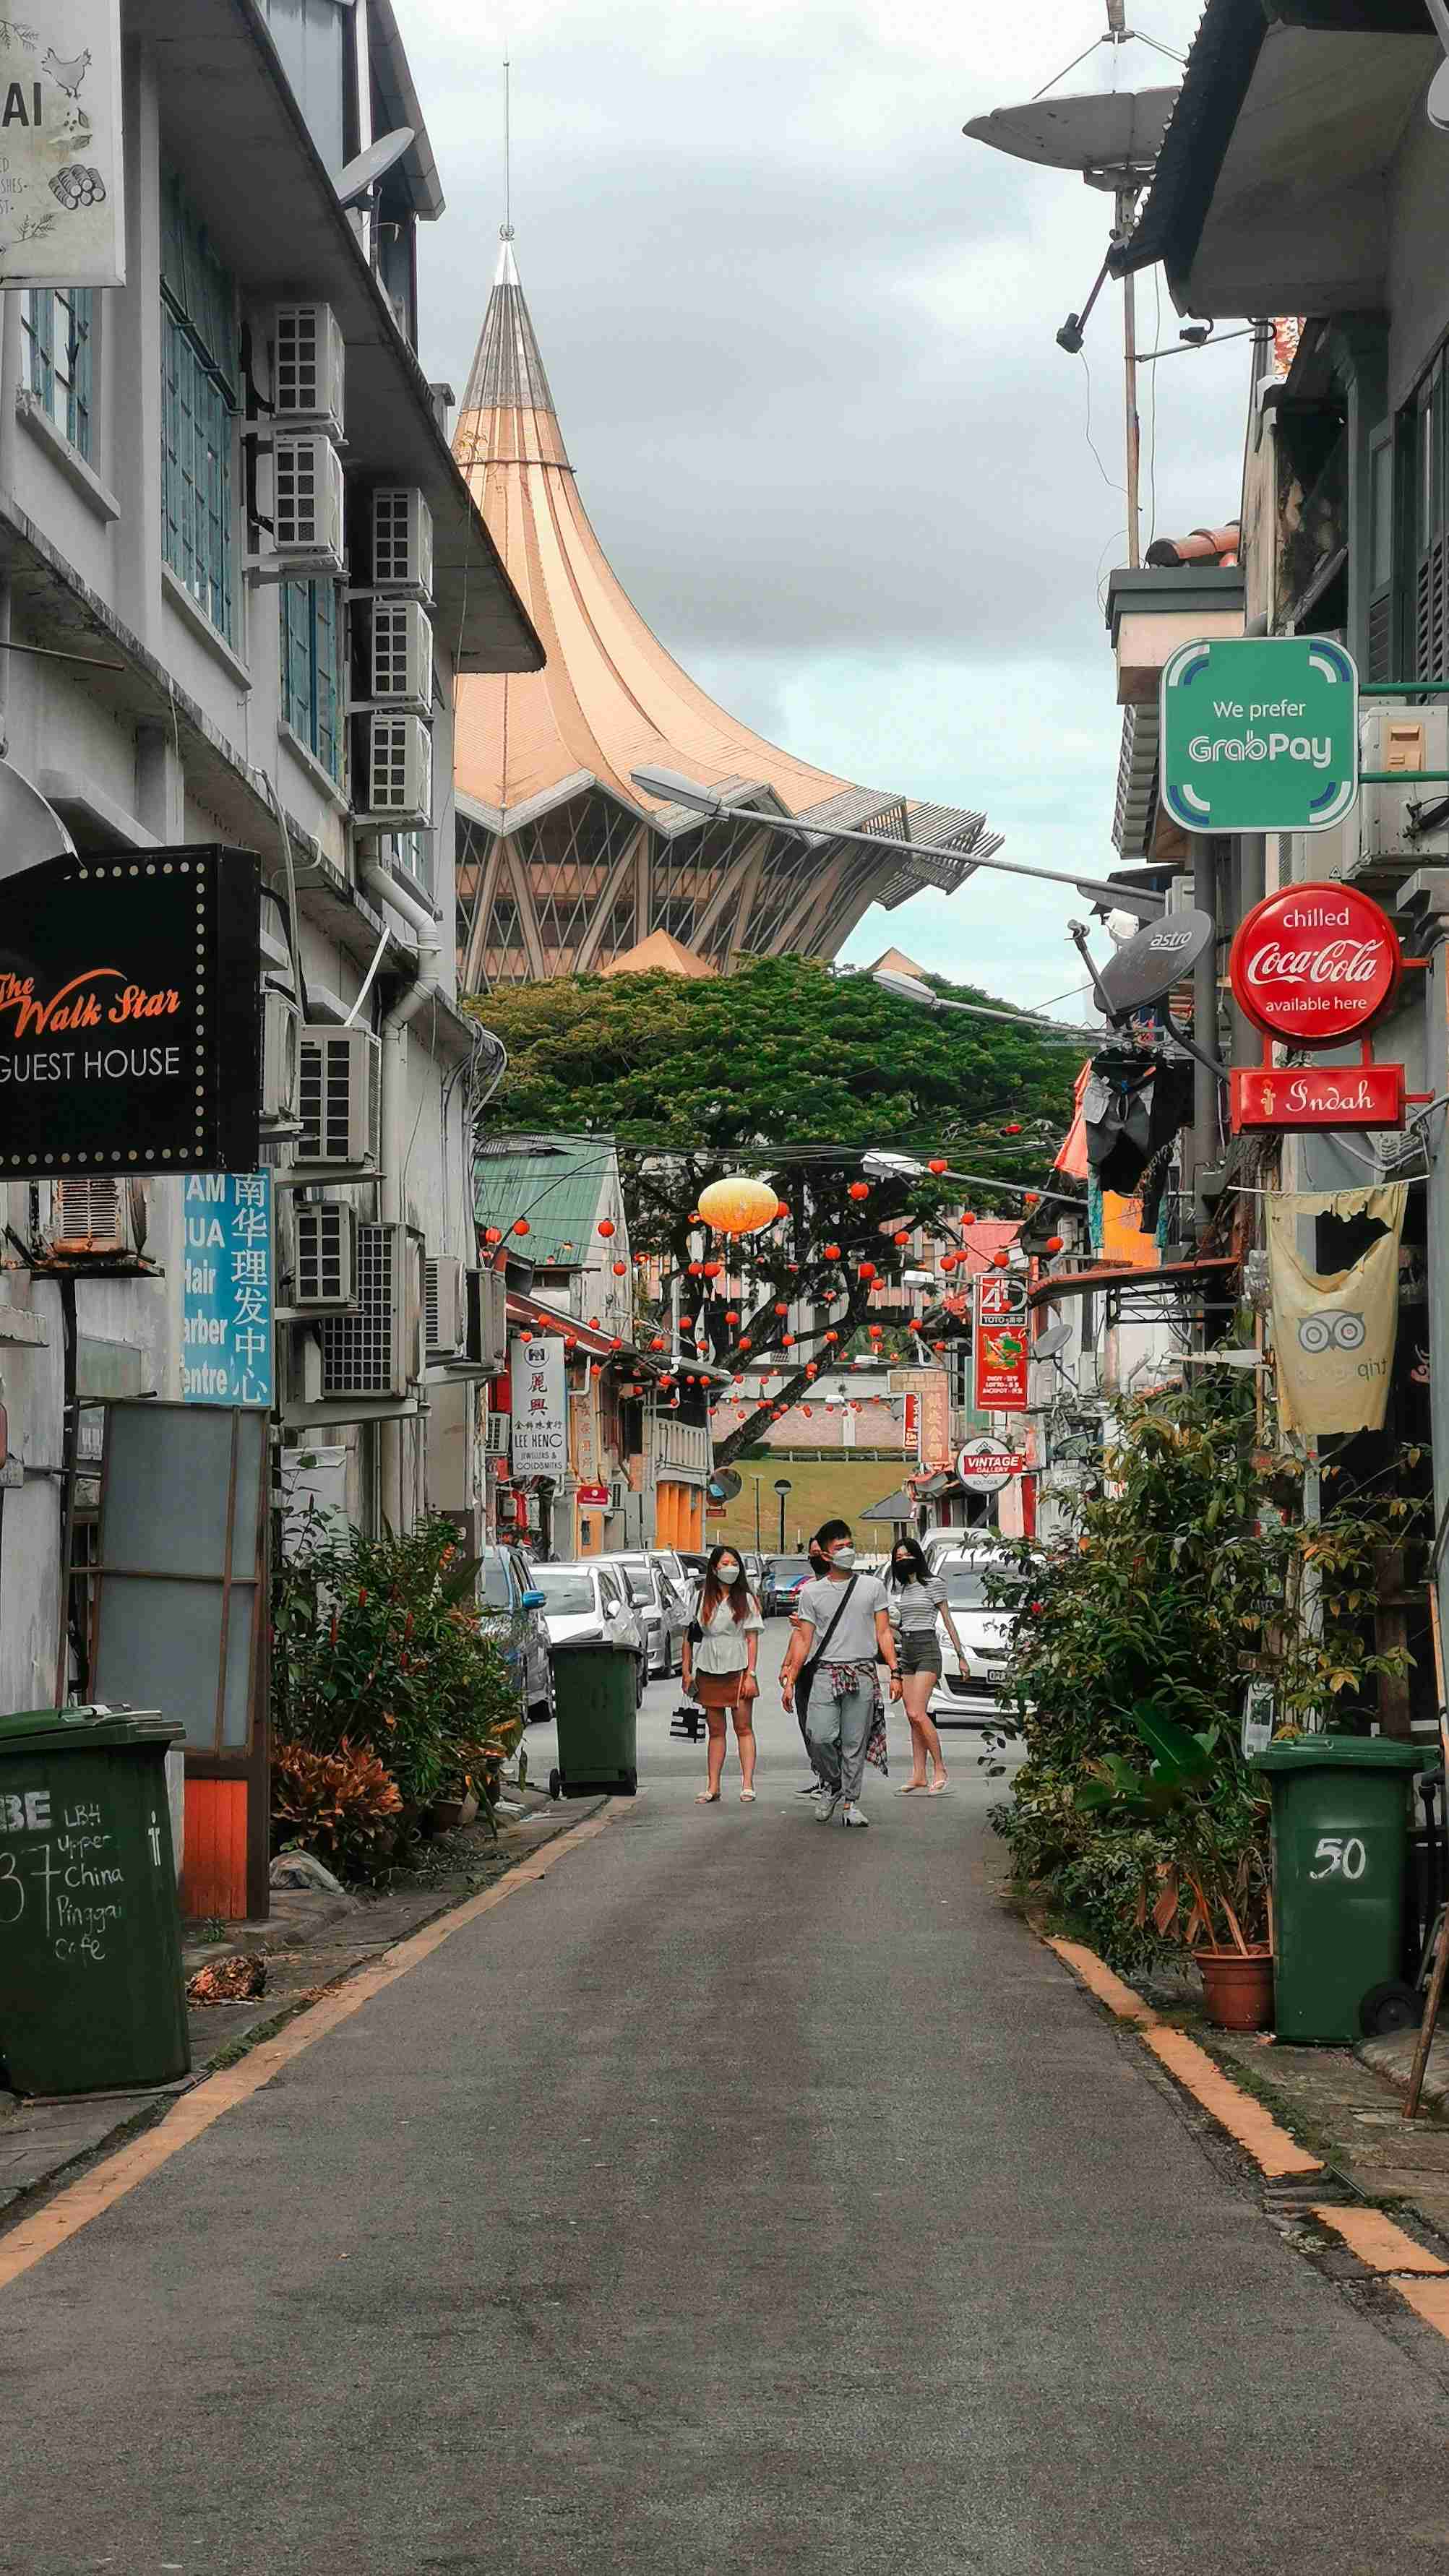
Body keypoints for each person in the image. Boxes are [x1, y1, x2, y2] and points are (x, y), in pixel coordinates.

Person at [781, 1537, 901, 1828]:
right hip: (825, 1672)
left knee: (854, 1742)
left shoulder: (872, 1587)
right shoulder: (812, 1592)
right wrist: (790, 1677)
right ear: (824, 1553)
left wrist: (895, 1672)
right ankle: (834, 1784)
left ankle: (850, 1803)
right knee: (819, 1736)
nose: (847, 1550)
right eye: (838, 1547)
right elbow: (804, 1638)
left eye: (849, 1543)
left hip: (862, 1672)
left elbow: (884, 1632)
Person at [682, 1543, 765, 1804]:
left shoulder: (746, 1599)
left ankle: (748, 1784)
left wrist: (751, 1673)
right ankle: (713, 1785)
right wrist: (686, 1672)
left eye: (734, 1564)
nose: (730, 1568)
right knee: (715, 1729)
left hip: (738, 1666)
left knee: (743, 1726)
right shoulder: (700, 1597)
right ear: (714, 1568)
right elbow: (689, 1637)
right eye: (724, 1564)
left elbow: (752, 1639)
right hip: (708, 1666)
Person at [885, 1535, 966, 1794]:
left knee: (918, 1713)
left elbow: (948, 1620)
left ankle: (940, 1768)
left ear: (917, 1556)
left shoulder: (934, 1584)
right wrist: (888, 1624)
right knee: (912, 1717)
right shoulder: (903, 1589)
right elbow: (905, 1624)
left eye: (907, 1555)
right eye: (898, 1557)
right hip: (906, 1647)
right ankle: (918, 1775)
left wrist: (961, 1655)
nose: (903, 1560)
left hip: (928, 1648)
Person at [786, 1519, 852, 1798]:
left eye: (818, 1554)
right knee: (810, 1727)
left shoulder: (849, 1589)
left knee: (833, 1730)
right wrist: (787, 1666)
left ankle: (837, 1781)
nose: (815, 1558)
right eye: (811, 1555)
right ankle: (824, 1775)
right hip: (807, 1667)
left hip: (835, 1667)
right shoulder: (810, 1591)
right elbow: (800, 1634)